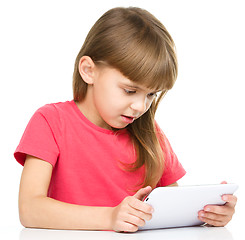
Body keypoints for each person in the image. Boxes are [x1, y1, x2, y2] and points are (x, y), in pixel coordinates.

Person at [14, 7, 237, 232]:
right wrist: (110, 217)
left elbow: (172, 207)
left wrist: (206, 214)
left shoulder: (150, 135)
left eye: (151, 94)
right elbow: (30, 209)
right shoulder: (51, 121)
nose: (141, 107)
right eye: (130, 91)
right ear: (89, 70)